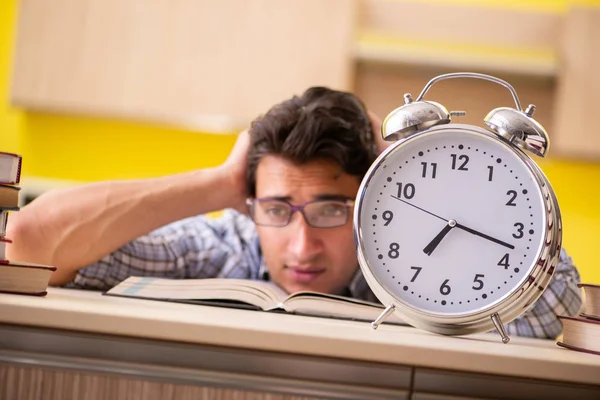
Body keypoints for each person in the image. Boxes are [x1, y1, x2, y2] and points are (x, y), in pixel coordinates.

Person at [6, 87, 582, 339]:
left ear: (370, 206)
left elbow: (559, 307)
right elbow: (30, 244)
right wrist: (215, 184)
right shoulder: (229, 245)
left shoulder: (413, 273)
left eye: (332, 209)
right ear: (250, 204)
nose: (302, 247)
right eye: (279, 210)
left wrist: (402, 168)